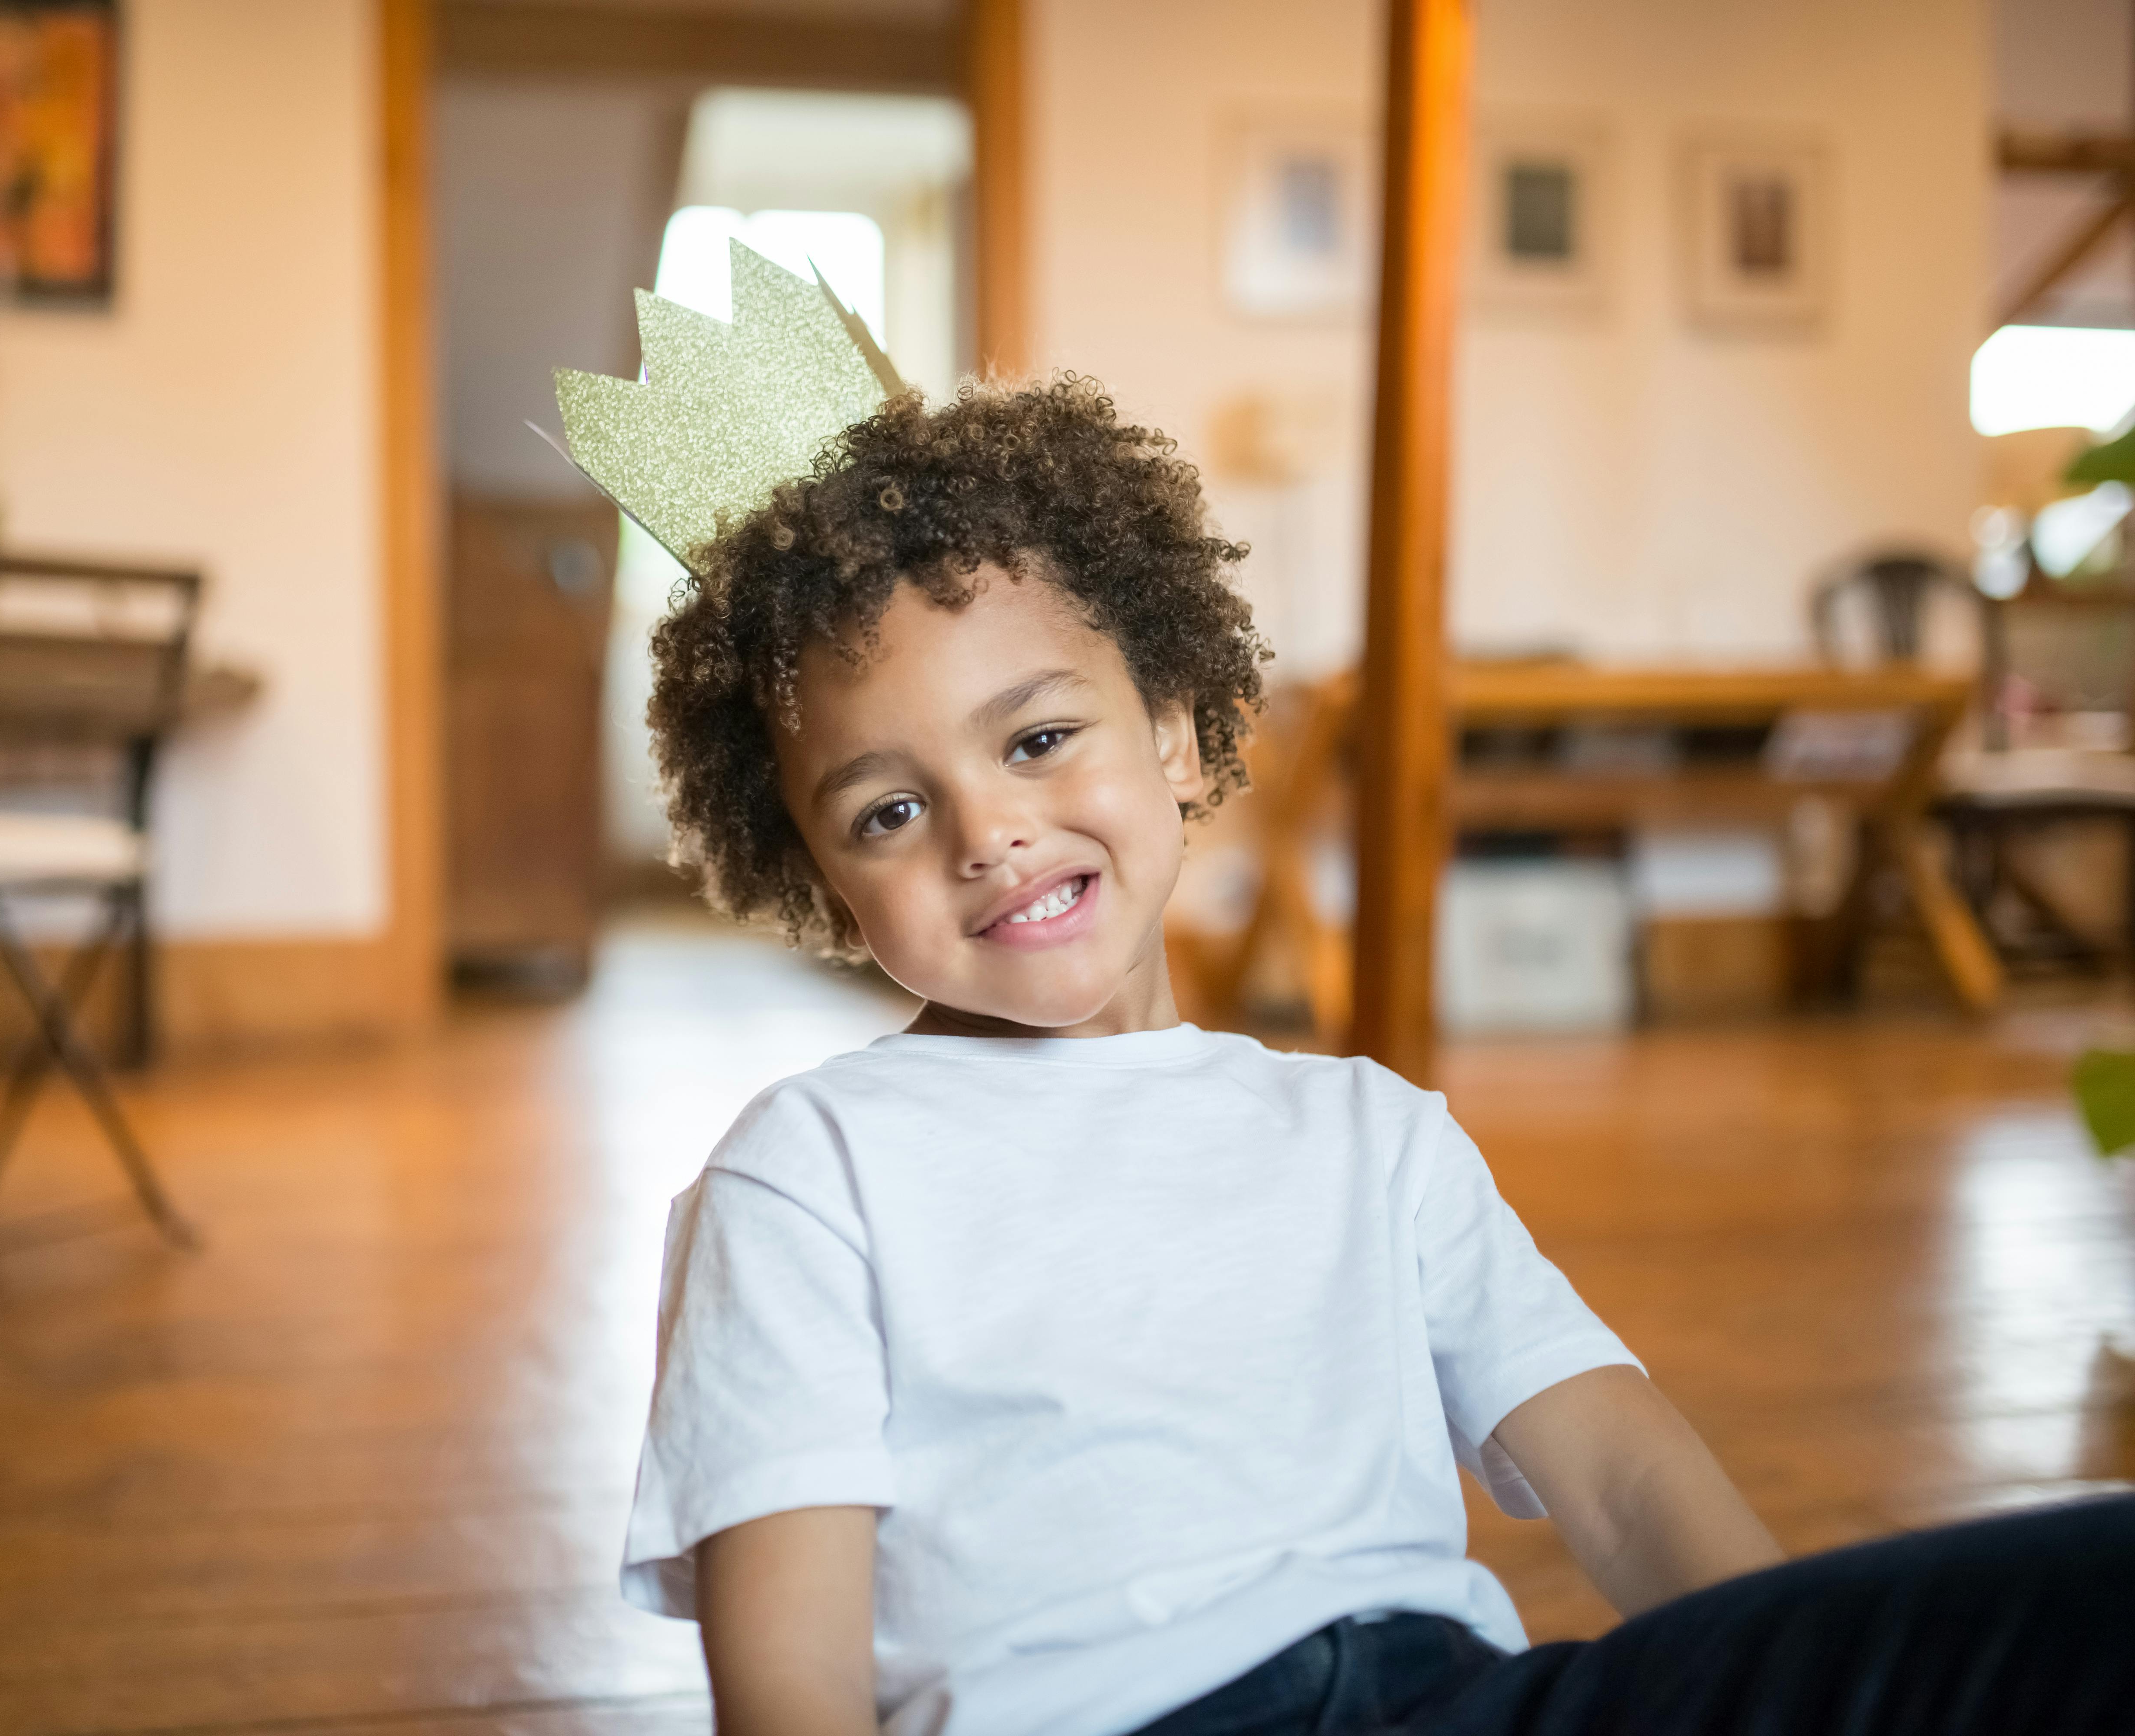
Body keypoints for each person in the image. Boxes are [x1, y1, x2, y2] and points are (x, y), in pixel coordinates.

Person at [556, 258, 2135, 1736]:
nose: (990, 833)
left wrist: (1779, 1686)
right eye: (889, 813)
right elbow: (795, 1687)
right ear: (827, 879)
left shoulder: (1374, 1137)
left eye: (1038, 738)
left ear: (1175, 733)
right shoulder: (809, 1173)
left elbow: (1630, 1484)